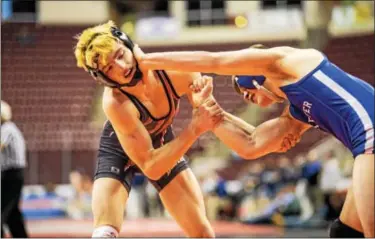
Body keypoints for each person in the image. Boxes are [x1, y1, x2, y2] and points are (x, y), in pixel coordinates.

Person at [133, 44, 374, 237]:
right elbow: (251, 144)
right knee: (346, 232)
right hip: (364, 141)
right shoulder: (297, 110)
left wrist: (148, 62)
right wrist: (205, 106)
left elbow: (214, 61)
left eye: (243, 87)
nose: (243, 95)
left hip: (370, 133)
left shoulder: (285, 61)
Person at [73, 20, 230, 238]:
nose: (121, 67)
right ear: (103, 78)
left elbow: (214, 117)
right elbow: (150, 166)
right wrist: (193, 129)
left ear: (129, 46)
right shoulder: (115, 102)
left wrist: (202, 102)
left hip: (161, 143)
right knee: (104, 233)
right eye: (109, 68)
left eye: (120, 55)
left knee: (203, 233)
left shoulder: (172, 70)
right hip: (120, 151)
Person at [1, 100, 29, 238]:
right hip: (13, 173)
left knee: (3, 207)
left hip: (11, 174)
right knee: (12, 212)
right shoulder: (10, 128)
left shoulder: (6, 128)